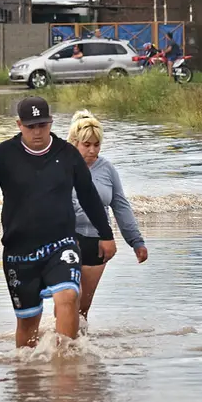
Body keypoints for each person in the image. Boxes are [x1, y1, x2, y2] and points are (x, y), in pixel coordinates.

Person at [0, 96, 117, 348]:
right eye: (31, 126)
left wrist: (106, 235)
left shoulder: (67, 154)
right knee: (28, 329)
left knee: (69, 296)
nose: (37, 132)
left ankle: (66, 363)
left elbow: (89, 196)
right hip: (19, 251)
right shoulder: (5, 154)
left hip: (61, 244)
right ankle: (27, 375)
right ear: (19, 124)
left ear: (51, 123)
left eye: (42, 125)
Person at [66, 110, 149, 322]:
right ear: (75, 142)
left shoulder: (107, 169)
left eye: (97, 145)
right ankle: (55, 346)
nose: (92, 150)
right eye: (87, 145)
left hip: (97, 241)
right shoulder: (61, 167)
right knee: (67, 301)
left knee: (82, 308)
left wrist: (135, 241)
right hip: (66, 240)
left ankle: (78, 350)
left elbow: (120, 206)